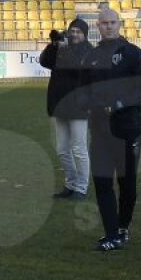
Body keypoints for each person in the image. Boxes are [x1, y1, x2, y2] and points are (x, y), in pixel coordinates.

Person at [82, 6, 141, 252]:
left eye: (112, 22)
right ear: (98, 26)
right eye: (104, 23)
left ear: (119, 25)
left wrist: (119, 104)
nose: (108, 26)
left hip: (127, 128)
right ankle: (111, 233)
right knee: (102, 181)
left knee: (127, 183)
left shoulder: (133, 53)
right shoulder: (91, 56)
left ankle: (122, 227)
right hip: (100, 130)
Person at [39, 18, 92, 200]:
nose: (74, 34)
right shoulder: (62, 48)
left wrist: (64, 49)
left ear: (85, 34)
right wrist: (53, 45)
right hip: (60, 105)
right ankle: (70, 184)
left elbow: (77, 68)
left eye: (78, 31)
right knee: (62, 149)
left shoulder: (88, 51)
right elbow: (44, 61)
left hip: (78, 106)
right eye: (72, 31)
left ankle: (81, 187)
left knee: (79, 149)